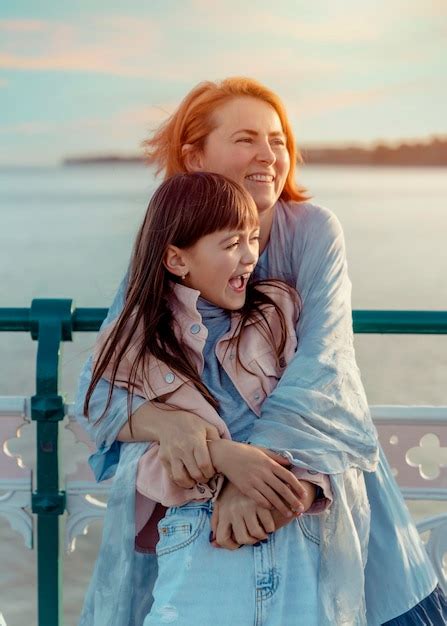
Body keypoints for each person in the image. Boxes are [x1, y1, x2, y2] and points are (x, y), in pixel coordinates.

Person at [76, 77, 446, 625]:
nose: (269, 155)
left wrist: (254, 484)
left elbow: (325, 367)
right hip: (201, 505)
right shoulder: (170, 241)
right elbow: (101, 384)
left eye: (277, 139)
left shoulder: (313, 231)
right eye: (246, 138)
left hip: (304, 477)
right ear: (194, 155)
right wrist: (172, 428)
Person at [82, 171, 342, 625]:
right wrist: (220, 455)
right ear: (177, 260)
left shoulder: (277, 313)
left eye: (253, 239)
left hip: (288, 523)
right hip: (198, 529)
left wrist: (295, 485)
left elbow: (320, 404)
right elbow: (95, 409)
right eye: (230, 245)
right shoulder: (139, 337)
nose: (248, 258)